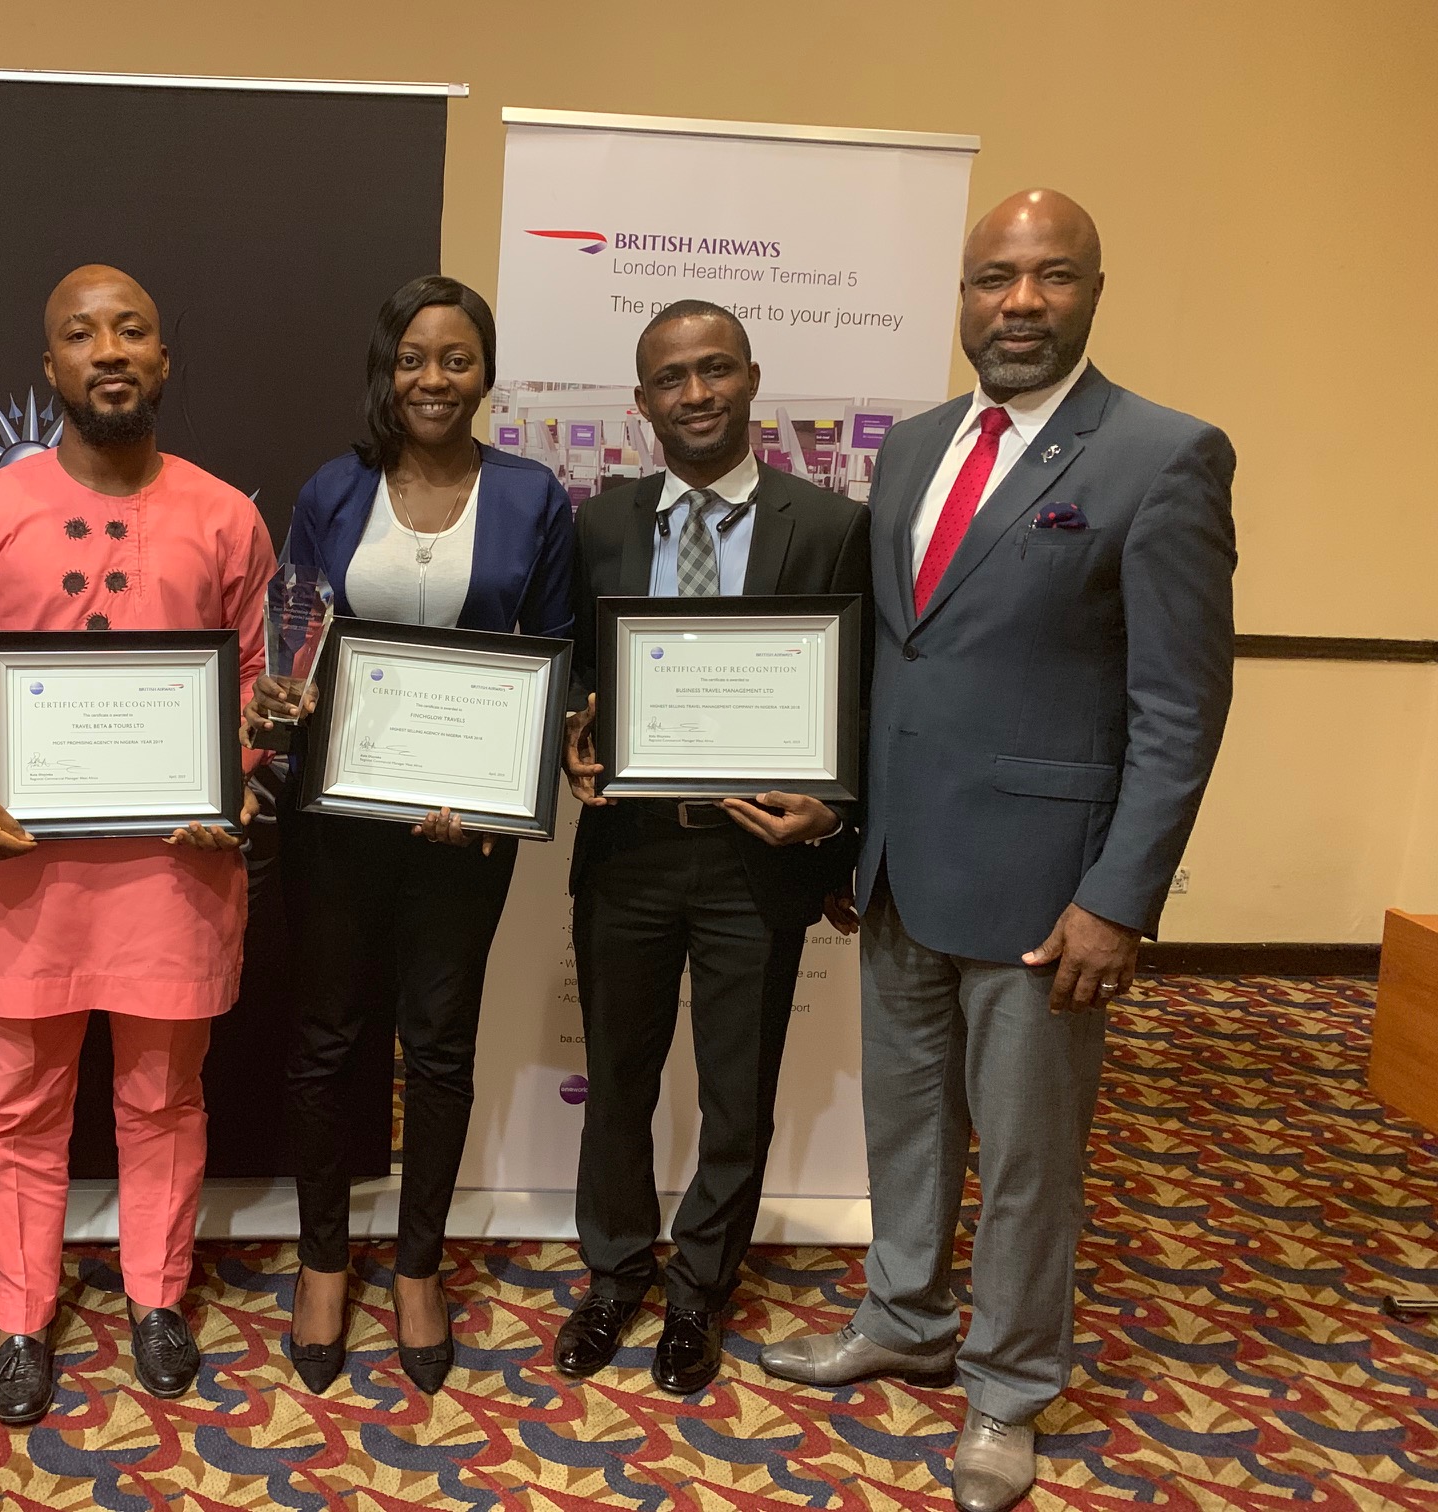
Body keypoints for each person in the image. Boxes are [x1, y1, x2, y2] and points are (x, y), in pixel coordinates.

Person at [758, 190, 1236, 1512]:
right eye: (992, 279)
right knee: (903, 1121)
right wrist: (850, 820)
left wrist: (1120, 898)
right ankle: (904, 1316)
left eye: (1051, 276)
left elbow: (1181, 705)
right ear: (961, 296)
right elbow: (894, 662)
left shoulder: (1162, 455)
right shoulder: (911, 450)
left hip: (1045, 893)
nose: (1018, 303)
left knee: (1030, 1161)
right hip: (901, 869)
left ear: (1093, 290)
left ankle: (1011, 1386)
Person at [0, 264, 273, 1423]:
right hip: (28, 868)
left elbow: (256, 687)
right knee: (18, 1101)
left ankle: (155, 1298)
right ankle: (21, 1317)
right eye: (81, 333)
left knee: (165, 1098)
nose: (108, 350)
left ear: (164, 362)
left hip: (178, 868)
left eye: (132, 331)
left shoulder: (225, 514)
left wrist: (242, 776)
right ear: (49, 367)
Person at [245, 275, 573, 1395]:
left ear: (486, 372)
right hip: (337, 818)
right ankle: (327, 1258)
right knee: (330, 1040)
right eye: (413, 358)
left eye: (456, 358)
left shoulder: (535, 498)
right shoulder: (334, 491)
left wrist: (497, 795)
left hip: (460, 830)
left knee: (437, 1045)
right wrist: (280, 708)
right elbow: (295, 636)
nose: (434, 378)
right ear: (387, 371)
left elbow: (557, 657)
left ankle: (421, 1265)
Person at [553, 300, 872, 1396]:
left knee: (738, 1090)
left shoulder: (827, 524)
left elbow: (856, 700)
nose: (696, 394)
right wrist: (571, 742)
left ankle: (698, 1293)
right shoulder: (599, 522)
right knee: (620, 1077)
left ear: (749, 380)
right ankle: (613, 1273)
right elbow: (575, 677)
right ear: (642, 403)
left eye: (715, 370)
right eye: (672, 378)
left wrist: (833, 816)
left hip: (755, 858)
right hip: (630, 850)